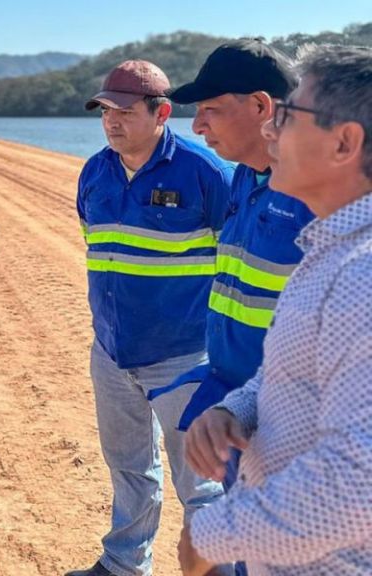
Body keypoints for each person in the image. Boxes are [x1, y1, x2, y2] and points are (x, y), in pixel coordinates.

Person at [179, 44, 372, 576]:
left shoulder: (362, 274)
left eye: (287, 116)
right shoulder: (333, 247)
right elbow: (292, 364)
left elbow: (358, 484)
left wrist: (209, 536)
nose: (271, 132)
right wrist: (234, 409)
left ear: (345, 143)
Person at [68, 59, 234, 576]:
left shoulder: (206, 173)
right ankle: (124, 564)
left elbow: (237, 262)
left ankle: (218, 568)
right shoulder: (95, 171)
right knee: (129, 470)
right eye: (104, 112)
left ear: (162, 112)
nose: (111, 122)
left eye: (123, 111)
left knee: (202, 480)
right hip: (112, 353)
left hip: (184, 358)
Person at [159, 39, 314, 576]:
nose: (197, 127)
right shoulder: (245, 175)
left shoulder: (321, 193)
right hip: (238, 406)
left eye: (210, 110)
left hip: (291, 425)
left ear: (261, 107)